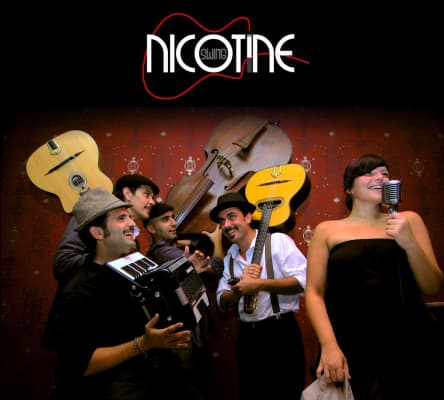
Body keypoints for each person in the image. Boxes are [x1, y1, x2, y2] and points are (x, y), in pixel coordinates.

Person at [304, 153, 444, 399]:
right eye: (369, 173)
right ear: (349, 189)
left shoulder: (408, 220)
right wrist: (329, 345)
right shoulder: (327, 230)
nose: (380, 177)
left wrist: (408, 242)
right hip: (351, 342)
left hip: (410, 341)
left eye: (385, 173)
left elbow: (432, 285)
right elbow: (314, 293)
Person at [42, 187, 203, 400]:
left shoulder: (136, 267)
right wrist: (143, 344)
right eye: (121, 218)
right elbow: (81, 364)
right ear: (98, 233)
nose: (132, 224)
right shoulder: (79, 289)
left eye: (129, 217)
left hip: (162, 378)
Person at [212, 192, 307, 400]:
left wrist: (259, 284)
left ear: (248, 217)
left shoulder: (278, 242)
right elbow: (222, 301)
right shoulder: (230, 257)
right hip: (248, 339)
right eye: (221, 221)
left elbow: (303, 282)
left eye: (231, 216)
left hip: (280, 334)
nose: (226, 225)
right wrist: (238, 290)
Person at [144, 202, 224, 400]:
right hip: (184, 344)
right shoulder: (164, 252)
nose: (173, 223)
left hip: (190, 339)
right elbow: (215, 268)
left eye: (172, 217)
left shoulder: (172, 249)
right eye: (165, 219)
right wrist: (216, 242)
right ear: (151, 228)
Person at [53, 174, 159, 284]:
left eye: (153, 198)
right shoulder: (94, 214)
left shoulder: (132, 239)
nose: (152, 202)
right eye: (147, 194)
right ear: (127, 193)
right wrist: (107, 257)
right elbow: (63, 263)